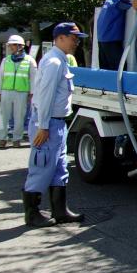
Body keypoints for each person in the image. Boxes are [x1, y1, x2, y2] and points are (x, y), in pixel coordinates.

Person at [22, 22, 86, 227]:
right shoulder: (54, 63)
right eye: (73, 37)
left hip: (56, 123)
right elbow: (45, 96)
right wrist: (43, 125)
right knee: (41, 167)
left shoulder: (61, 60)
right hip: (48, 123)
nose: (76, 41)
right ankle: (32, 214)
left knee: (59, 167)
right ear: (60, 38)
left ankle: (60, 211)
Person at [0, 35, 37, 148]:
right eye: (10, 45)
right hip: (6, 91)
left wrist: (32, 93)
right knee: (3, 116)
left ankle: (16, 139)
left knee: (19, 116)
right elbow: (0, 77)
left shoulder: (30, 61)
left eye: (12, 45)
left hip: (22, 92)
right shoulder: (6, 60)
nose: (10, 47)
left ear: (20, 46)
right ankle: (2, 139)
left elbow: (33, 78)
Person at [97, 0, 135, 70]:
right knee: (120, 69)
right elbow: (135, 5)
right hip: (111, 40)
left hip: (102, 39)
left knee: (105, 70)